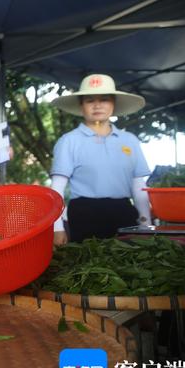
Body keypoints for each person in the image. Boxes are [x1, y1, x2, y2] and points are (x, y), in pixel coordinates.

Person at [50, 73, 152, 245]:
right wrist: (57, 227)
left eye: (104, 99)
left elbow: (138, 186)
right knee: (89, 266)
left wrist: (146, 224)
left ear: (113, 104)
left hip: (124, 212)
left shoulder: (130, 141)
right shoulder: (69, 141)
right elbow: (57, 188)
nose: (97, 105)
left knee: (129, 264)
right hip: (84, 214)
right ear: (81, 106)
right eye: (90, 100)